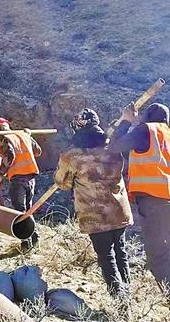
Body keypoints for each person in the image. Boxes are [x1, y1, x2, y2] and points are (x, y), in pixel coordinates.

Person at [109, 102, 170, 311]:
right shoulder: (169, 137)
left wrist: (126, 122)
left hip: (156, 204)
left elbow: (115, 147)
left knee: (158, 261)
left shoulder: (146, 130)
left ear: (146, 118)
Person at [54, 109, 133, 298]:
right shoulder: (113, 147)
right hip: (119, 210)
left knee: (106, 256)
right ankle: (127, 293)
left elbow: (62, 183)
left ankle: (120, 301)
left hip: (94, 215)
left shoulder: (71, 156)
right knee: (120, 252)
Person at [0, 117, 42, 251]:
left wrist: (0, 174)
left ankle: (26, 243)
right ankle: (34, 236)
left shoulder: (6, 139)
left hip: (18, 180)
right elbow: (38, 151)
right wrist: (30, 137)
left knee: (20, 211)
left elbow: (10, 155)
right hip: (30, 179)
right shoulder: (22, 135)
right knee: (27, 209)